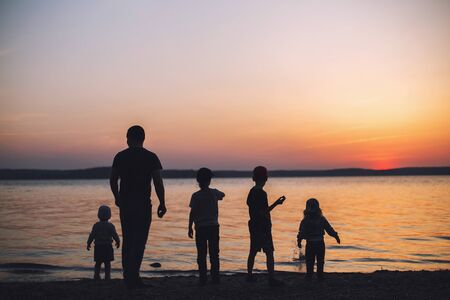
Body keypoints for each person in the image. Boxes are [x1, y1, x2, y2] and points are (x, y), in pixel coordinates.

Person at [110, 125, 166, 289]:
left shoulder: (120, 156)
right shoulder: (151, 157)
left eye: (127, 137)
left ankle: (128, 276)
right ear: (143, 138)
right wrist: (162, 202)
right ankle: (134, 276)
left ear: (129, 138)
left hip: (126, 204)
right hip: (143, 204)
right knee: (140, 241)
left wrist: (117, 197)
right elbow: (158, 182)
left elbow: (113, 179)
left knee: (128, 239)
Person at [246, 166, 286, 287]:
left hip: (253, 225)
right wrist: (276, 203)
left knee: (253, 251)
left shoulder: (251, 191)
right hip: (262, 226)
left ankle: (249, 275)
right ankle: (271, 279)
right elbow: (264, 211)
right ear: (266, 178)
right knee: (269, 252)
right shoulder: (262, 193)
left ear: (254, 178)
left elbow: (251, 207)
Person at [187, 168, 225, 286]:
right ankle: (215, 278)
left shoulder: (196, 196)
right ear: (209, 181)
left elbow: (192, 213)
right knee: (214, 254)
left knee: (201, 254)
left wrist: (189, 227)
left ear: (198, 181)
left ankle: (203, 278)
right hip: (213, 227)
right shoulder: (214, 193)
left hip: (200, 228)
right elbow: (222, 195)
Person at [297, 198, 340, 281]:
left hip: (311, 244)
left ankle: (310, 275)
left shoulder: (305, 220)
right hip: (319, 243)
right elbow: (329, 229)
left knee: (310, 261)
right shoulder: (321, 219)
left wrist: (299, 241)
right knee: (319, 261)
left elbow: (301, 233)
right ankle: (318, 276)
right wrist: (336, 236)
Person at [87, 205, 120, 280]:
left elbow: (92, 235)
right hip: (107, 247)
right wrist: (118, 241)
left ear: (98, 215)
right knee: (107, 263)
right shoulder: (110, 226)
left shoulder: (96, 225)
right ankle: (107, 276)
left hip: (98, 247)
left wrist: (88, 243)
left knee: (98, 263)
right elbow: (114, 235)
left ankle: (96, 275)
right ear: (109, 215)